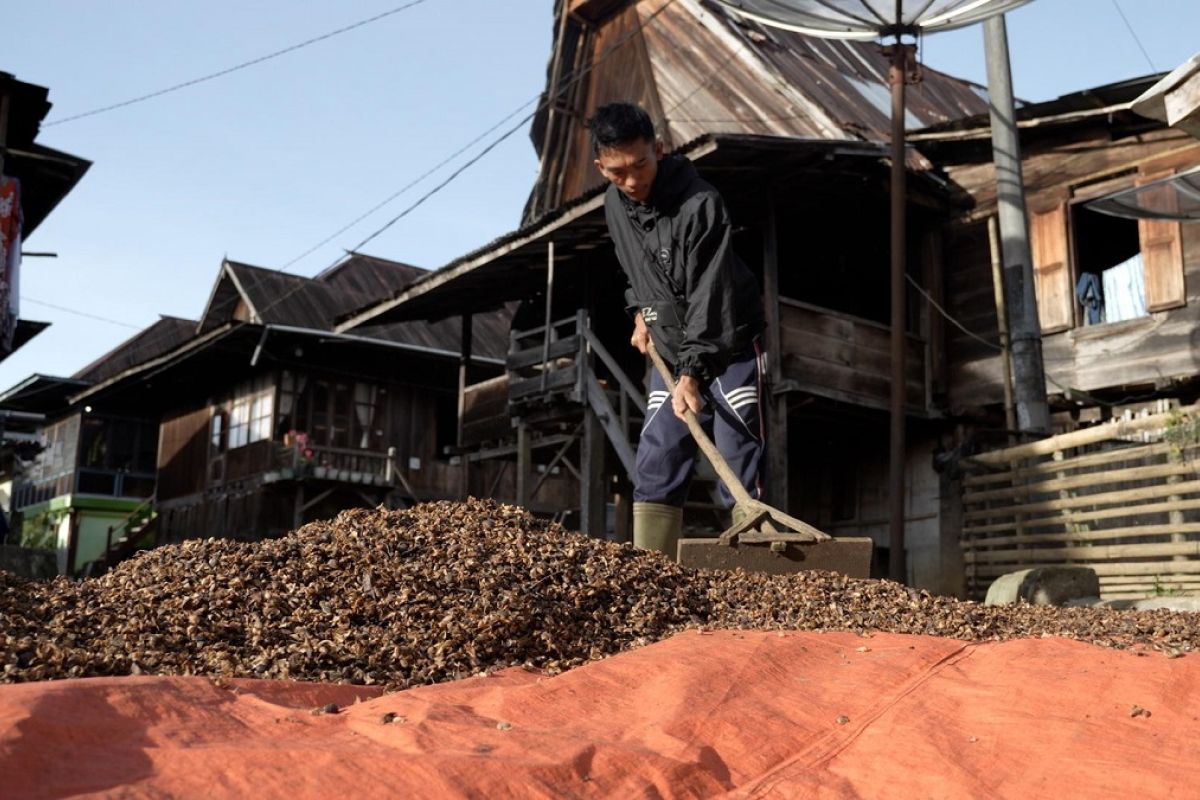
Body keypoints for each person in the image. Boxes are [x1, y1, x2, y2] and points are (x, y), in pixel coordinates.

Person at [588, 102, 766, 557]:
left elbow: (711, 295)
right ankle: (654, 570)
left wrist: (692, 375)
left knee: (736, 453)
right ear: (601, 167)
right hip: (670, 348)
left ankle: (755, 571)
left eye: (640, 165)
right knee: (658, 455)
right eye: (617, 172)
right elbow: (635, 271)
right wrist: (639, 312)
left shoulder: (700, 204)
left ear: (659, 149)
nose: (631, 181)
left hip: (727, 346)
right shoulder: (614, 204)